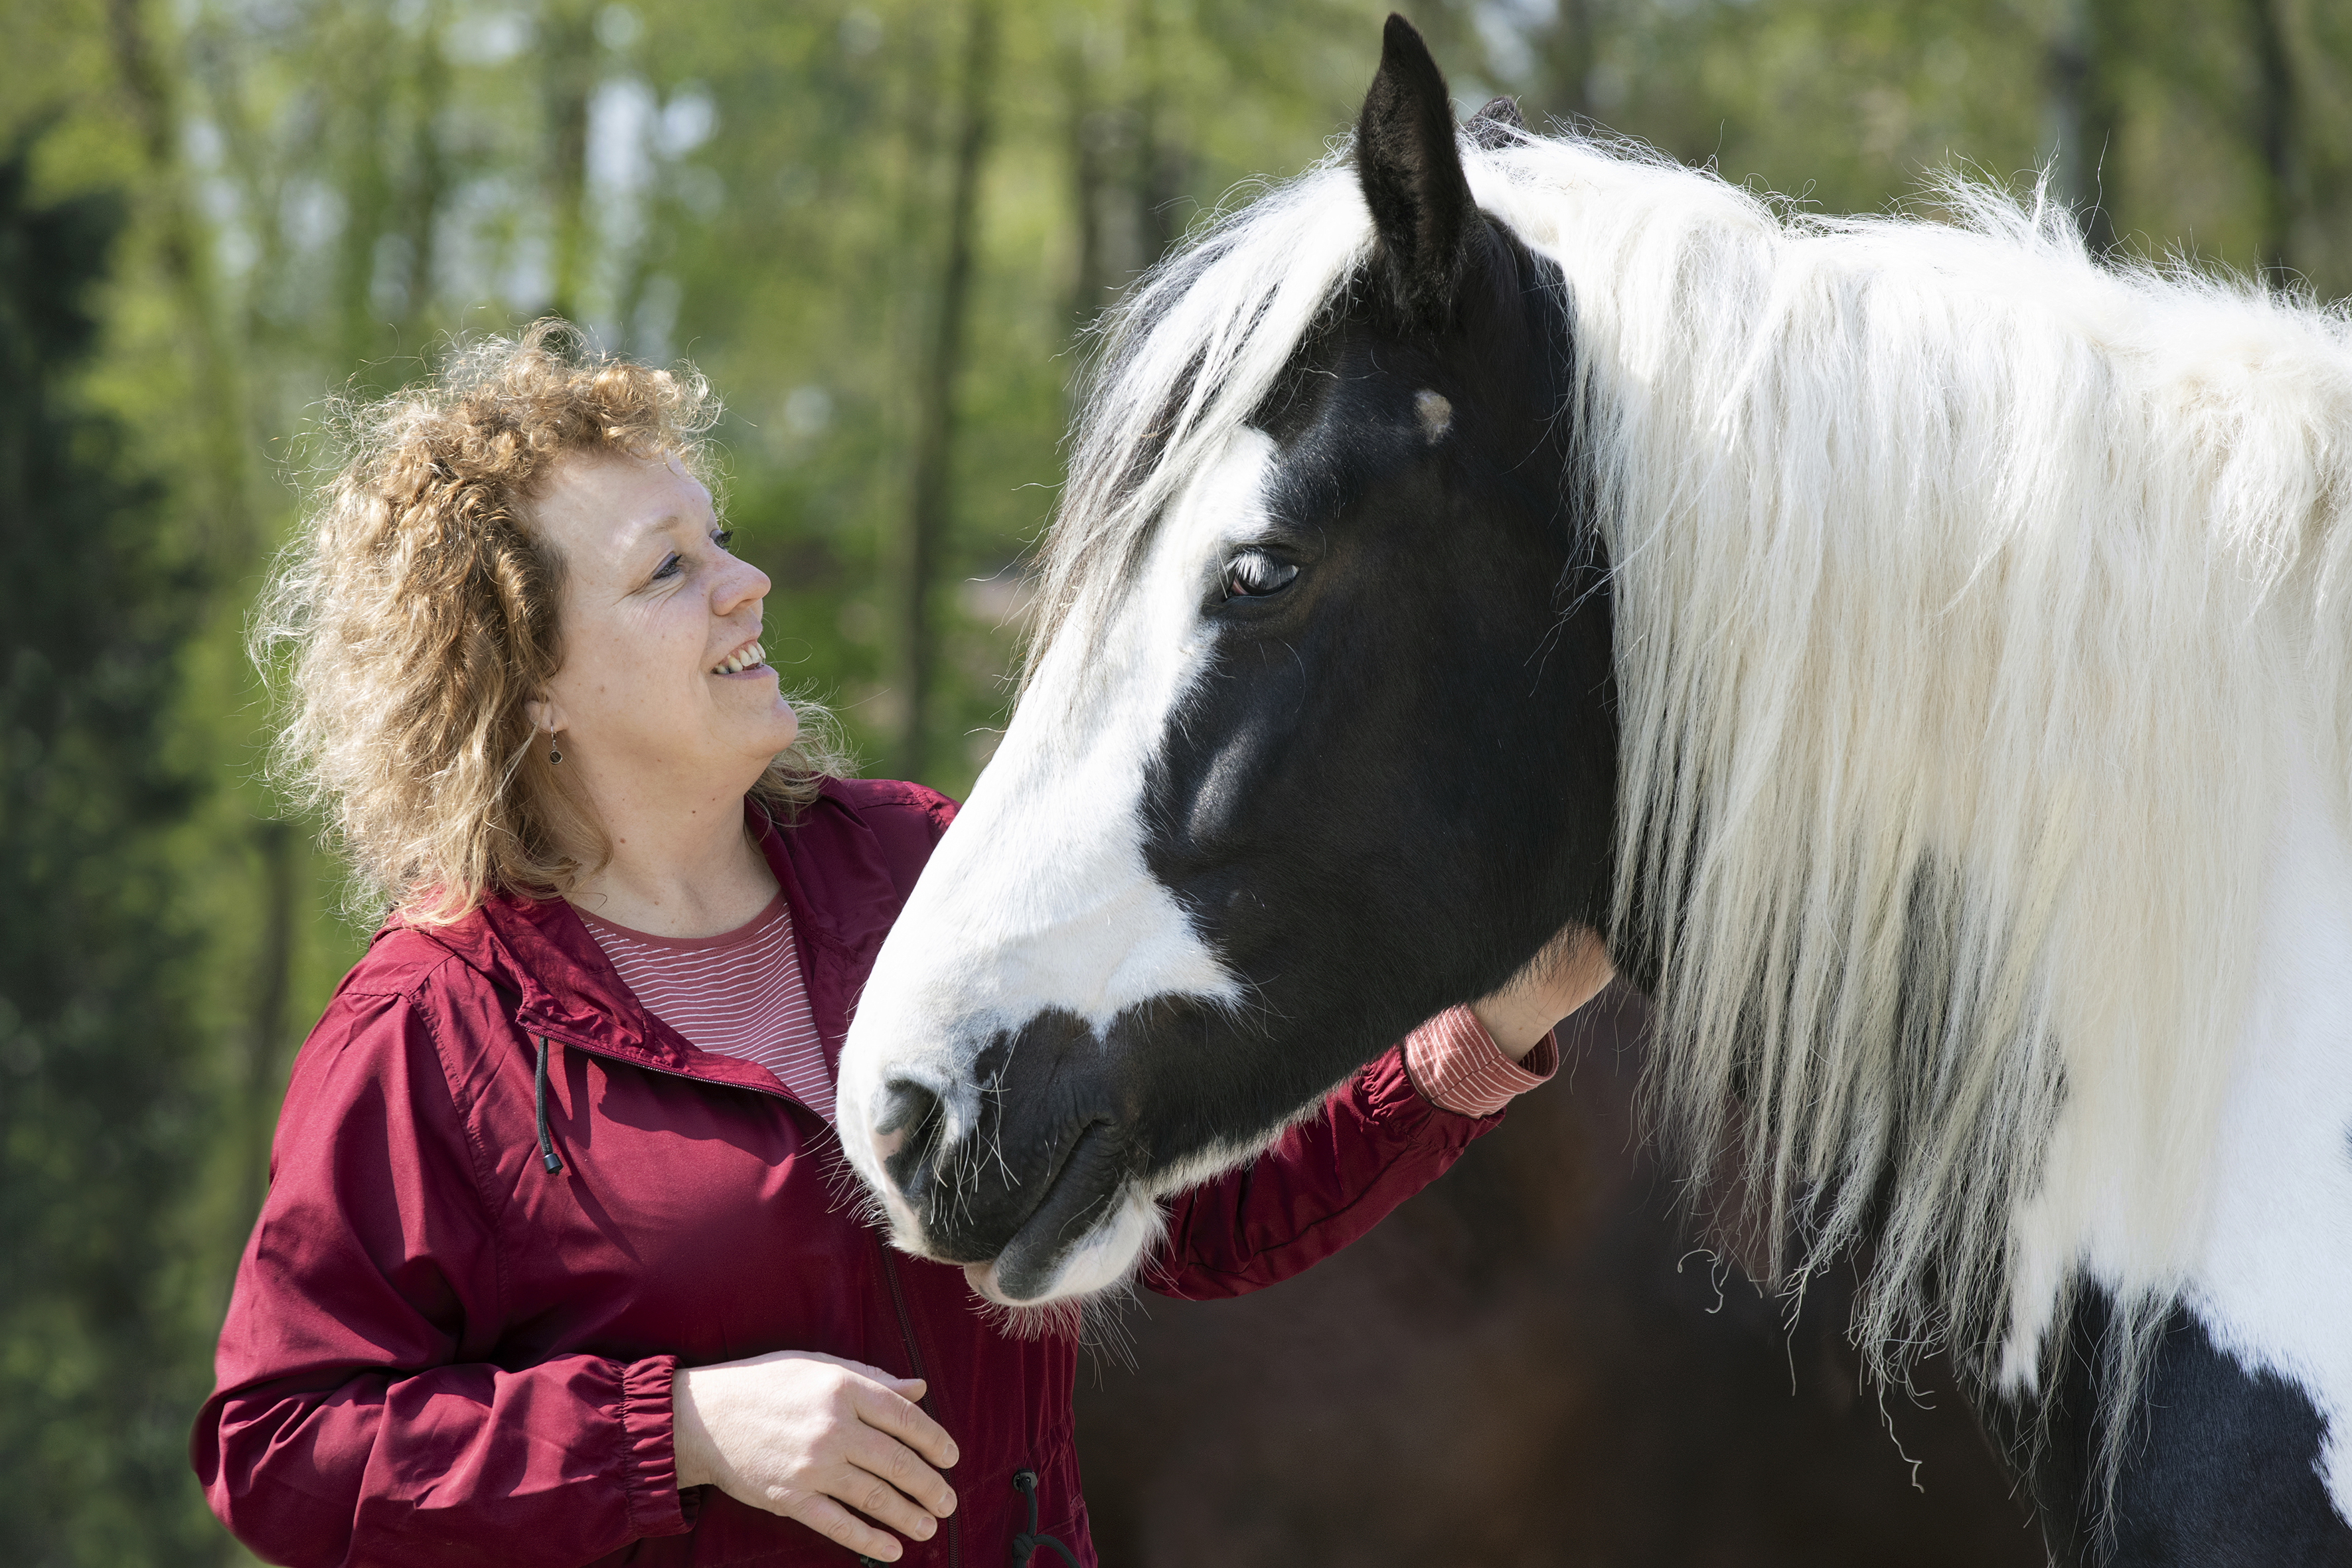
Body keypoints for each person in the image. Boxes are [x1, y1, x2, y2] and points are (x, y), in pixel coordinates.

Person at [192, 324, 1612, 1567]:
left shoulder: (919, 872)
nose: (744, 583)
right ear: (530, 682)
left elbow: (1199, 1213)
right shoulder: (432, 1031)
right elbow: (284, 1448)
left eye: (718, 535)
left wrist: (1472, 1043)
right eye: (666, 571)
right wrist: (676, 1429)